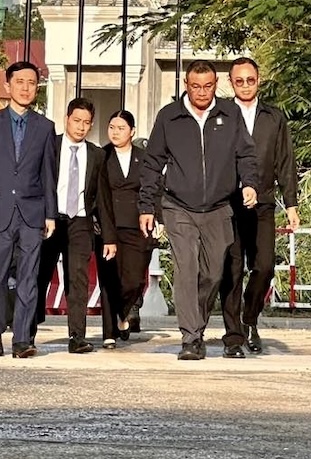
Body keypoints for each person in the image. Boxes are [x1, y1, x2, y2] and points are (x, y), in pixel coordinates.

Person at [139, 60, 258, 361]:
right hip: (178, 206)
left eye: (207, 86)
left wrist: (249, 184)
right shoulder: (169, 116)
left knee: (213, 274)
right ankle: (190, 338)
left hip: (219, 207)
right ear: (186, 85)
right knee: (186, 270)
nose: (202, 92)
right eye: (195, 86)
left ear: (215, 84)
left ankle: (197, 324)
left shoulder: (230, 114)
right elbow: (152, 164)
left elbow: (246, 154)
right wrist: (147, 206)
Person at [0, 60, 57, 359]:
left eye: (31, 83)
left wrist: (50, 214)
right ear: (8, 85)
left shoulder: (45, 128)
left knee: (29, 278)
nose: (25, 88)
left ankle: (22, 339)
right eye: (20, 82)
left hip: (32, 213)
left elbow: (48, 174)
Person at [219, 57, 300, 356]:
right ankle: (234, 336)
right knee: (231, 271)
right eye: (239, 81)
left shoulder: (273, 117)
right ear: (231, 82)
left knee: (264, 266)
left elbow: (285, 161)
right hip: (227, 204)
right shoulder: (221, 115)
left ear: (259, 80)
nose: (245, 85)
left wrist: (291, 203)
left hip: (263, 204)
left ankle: (250, 317)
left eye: (250, 80)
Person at [34, 97, 114, 353]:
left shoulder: (97, 155)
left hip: (80, 222)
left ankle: (77, 336)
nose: (81, 127)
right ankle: (28, 330)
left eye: (86, 123)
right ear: (67, 119)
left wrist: (109, 237)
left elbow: (103, 199)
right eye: (76, 121)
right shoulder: (51, 146)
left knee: (78, 280)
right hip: (50, 219)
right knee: (40, 275)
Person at [99, 110, 160, 344]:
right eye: (112, 127)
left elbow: (155, 189)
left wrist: (158, 217)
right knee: (110, 279)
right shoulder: (101, 156)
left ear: (132, 131)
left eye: (121, 128)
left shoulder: (144, 158)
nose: (115, 132)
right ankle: (109, 333)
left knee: (133, 280)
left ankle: (122, 312)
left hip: (137, 225)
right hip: (108, 225)